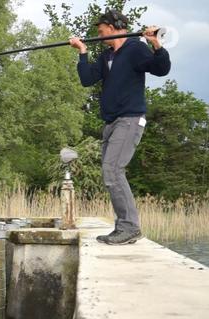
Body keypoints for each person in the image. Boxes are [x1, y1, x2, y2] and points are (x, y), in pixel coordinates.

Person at [69, 9, 171, 245]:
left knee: (113, 170)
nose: (99, 32)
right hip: (111, 122)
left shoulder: (135, 48)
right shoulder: (107, 56)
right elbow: (86, 79)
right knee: (110, 173)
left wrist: (155, 44)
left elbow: (161, 69)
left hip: (130, 118)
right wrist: (83, 52)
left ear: (112, 27)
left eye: (101, 29)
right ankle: (123, 227)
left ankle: (130, 227)